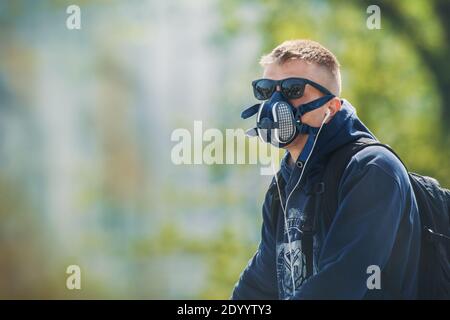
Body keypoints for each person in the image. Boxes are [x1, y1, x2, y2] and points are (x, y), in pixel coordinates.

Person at [232, 39, 421, 299]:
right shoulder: (283, 187)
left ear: (331, 108)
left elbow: (340, 284)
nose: (275, 102)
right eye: (266, 90)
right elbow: (258, 288)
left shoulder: (372, 170)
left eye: (293, 90)